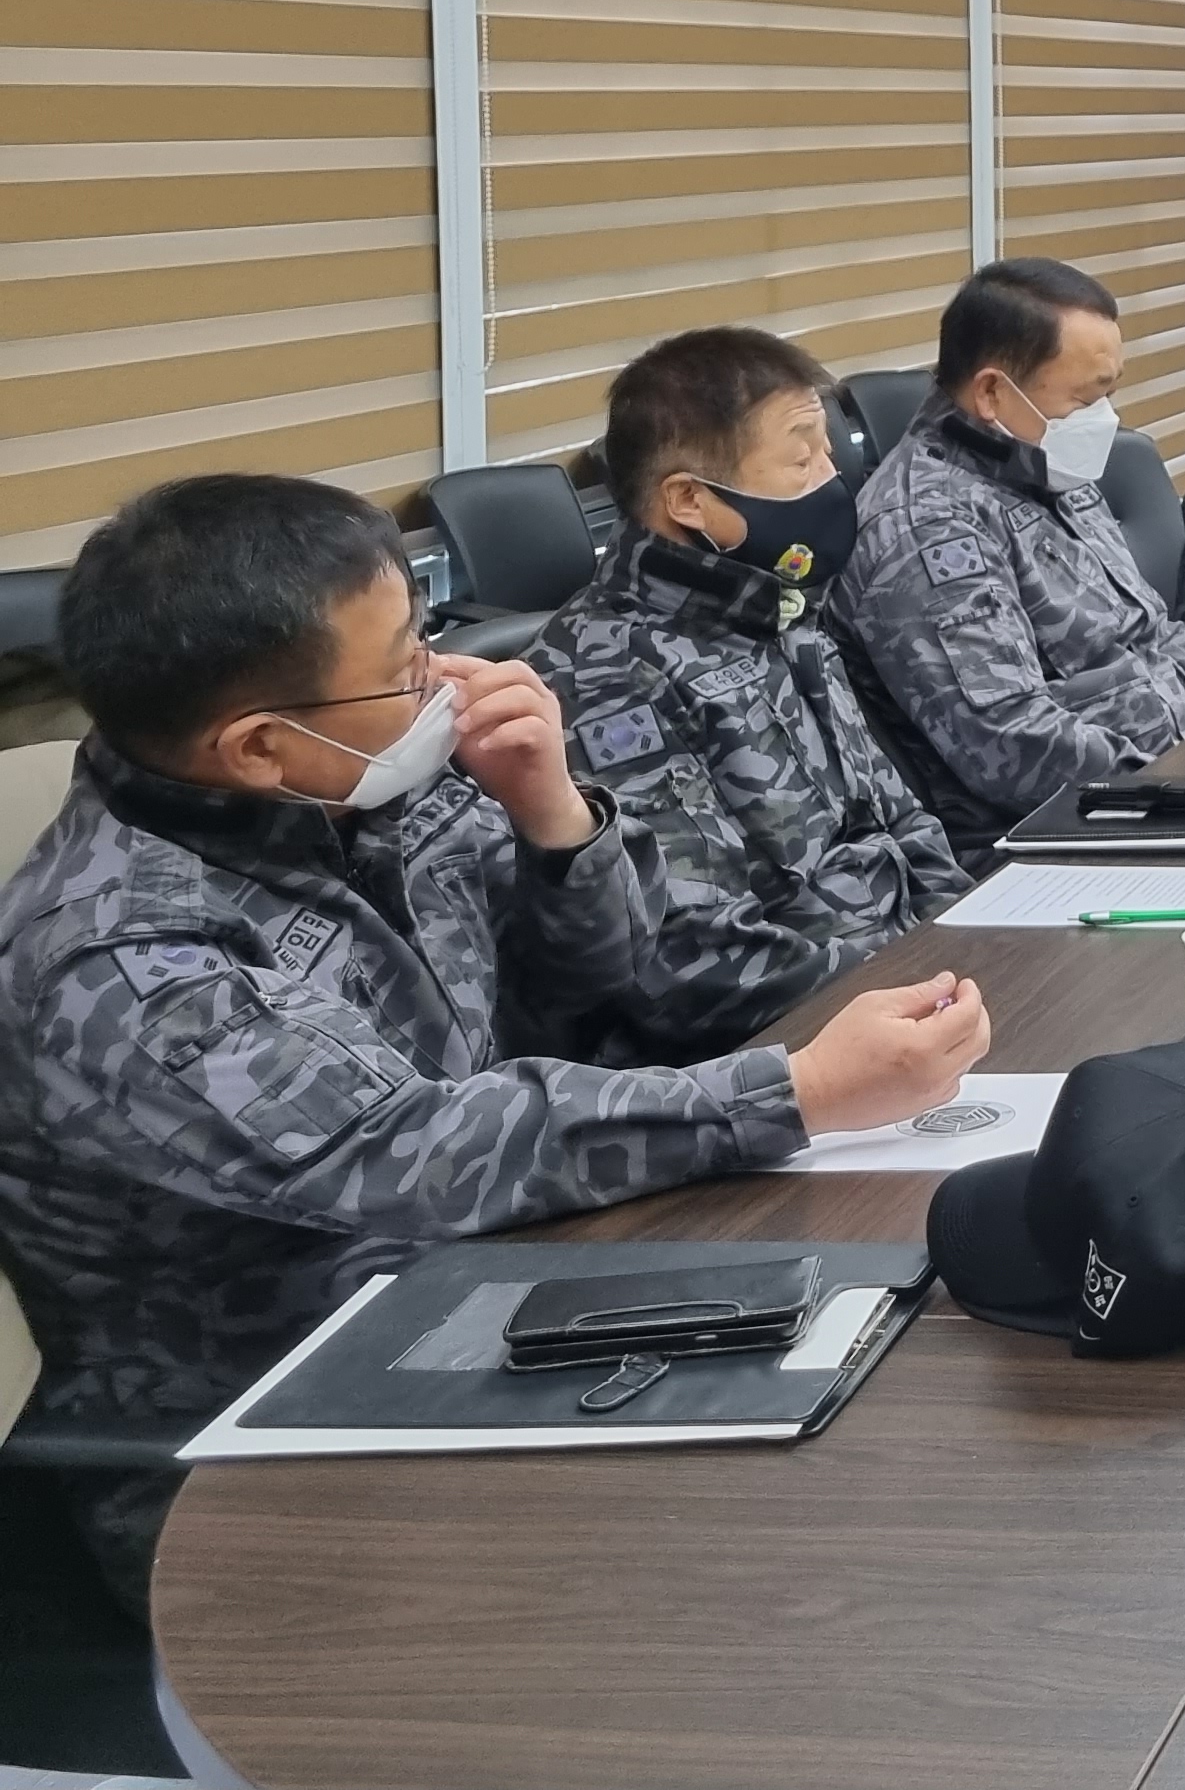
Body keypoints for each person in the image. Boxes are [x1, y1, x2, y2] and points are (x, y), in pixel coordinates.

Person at [0, 475, 990, 1610]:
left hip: (500, 1298)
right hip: (268, 1444)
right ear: (263, 747)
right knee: (810, 1566)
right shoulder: (122, 955)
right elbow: (410, 1153)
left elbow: (606, 982)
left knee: (909, 1384)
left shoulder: (357, 794)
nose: (439, 679)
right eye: (403, 668)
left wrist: (554, 817)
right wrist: (794, 1090)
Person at [530, 327, 969, 1063]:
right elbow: (692, 960)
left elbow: (901, 823)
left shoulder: (777, 607)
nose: (832, 478)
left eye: (827, 451)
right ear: (689, 500)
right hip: (780, 1057)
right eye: (801, 460)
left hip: (913, 992)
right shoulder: (601, 677)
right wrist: (914, 984)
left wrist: (972, 945)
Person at [827, 258, 1185, 860]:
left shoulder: (1044, 462)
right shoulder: (926, 529)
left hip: (1178, 793)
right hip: (1061, 838)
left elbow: (1156, 636)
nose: (1105, 418)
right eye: (1086, 398)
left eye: (1109, 394)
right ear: (992, 392)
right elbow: (1012, 744)